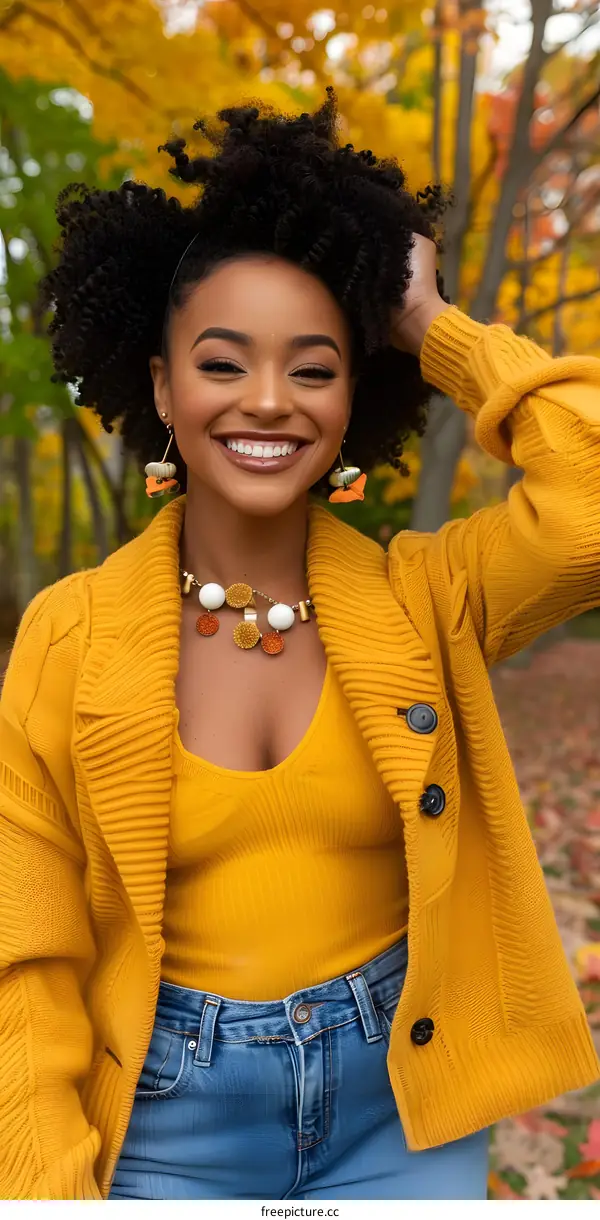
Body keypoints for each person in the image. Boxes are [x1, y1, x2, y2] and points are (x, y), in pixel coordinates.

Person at [0, 90, 599, 1203]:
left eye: (314, 367)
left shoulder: (430, 596)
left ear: (352, 394)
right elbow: (23, 961)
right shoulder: (69, 636)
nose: (268, 400)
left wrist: (430, 322)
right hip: (160, 1119)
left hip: (400, 1109)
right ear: (162, 387)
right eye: (223, 364)